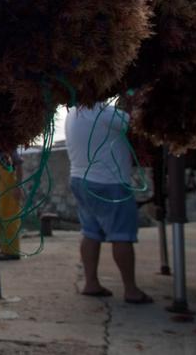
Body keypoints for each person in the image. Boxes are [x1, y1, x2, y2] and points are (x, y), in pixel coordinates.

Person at [65, 103, 151, 304]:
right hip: (109, 183)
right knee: (122, 236)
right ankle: (131, 289)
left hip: (79, 180)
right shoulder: (107, 114)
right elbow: (140, 124)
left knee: (90, 232)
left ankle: (91, 283)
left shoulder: (72, 115)